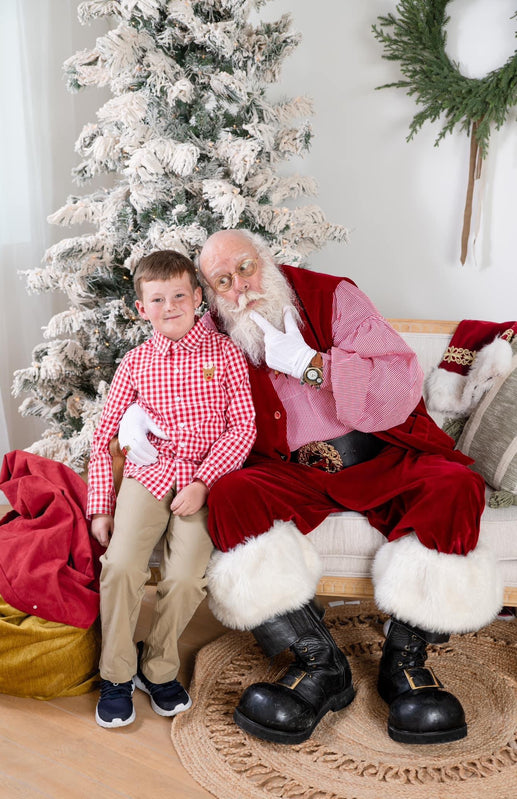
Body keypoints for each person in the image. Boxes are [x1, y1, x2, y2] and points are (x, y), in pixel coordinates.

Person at [118, 230, 502, 746]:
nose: (240, 287)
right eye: (223, 281)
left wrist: (312, 365)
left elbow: (399, 379)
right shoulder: (213, 331)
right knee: (232, 496)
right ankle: (320, 664)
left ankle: (406, 662)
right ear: (208, 293)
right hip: (293, 471)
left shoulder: (332, 296)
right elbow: (170, 369)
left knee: (455, 485)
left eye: (246, 267)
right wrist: (134, 412)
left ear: (267, 258)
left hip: (380, 454)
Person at [87, 249, 256, 729]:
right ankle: (116, 675)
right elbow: (103, 439)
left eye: (179, 295)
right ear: (142, 308)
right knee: (121, 566)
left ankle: (157, 667)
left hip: (202, 479)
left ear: (198, 297)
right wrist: (101, 507)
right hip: (148, 474)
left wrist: (204, 482)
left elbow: (243, 427)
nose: (170, 307)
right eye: (157, 300)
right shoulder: (135, 363)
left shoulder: (225, 354)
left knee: (184, 579)